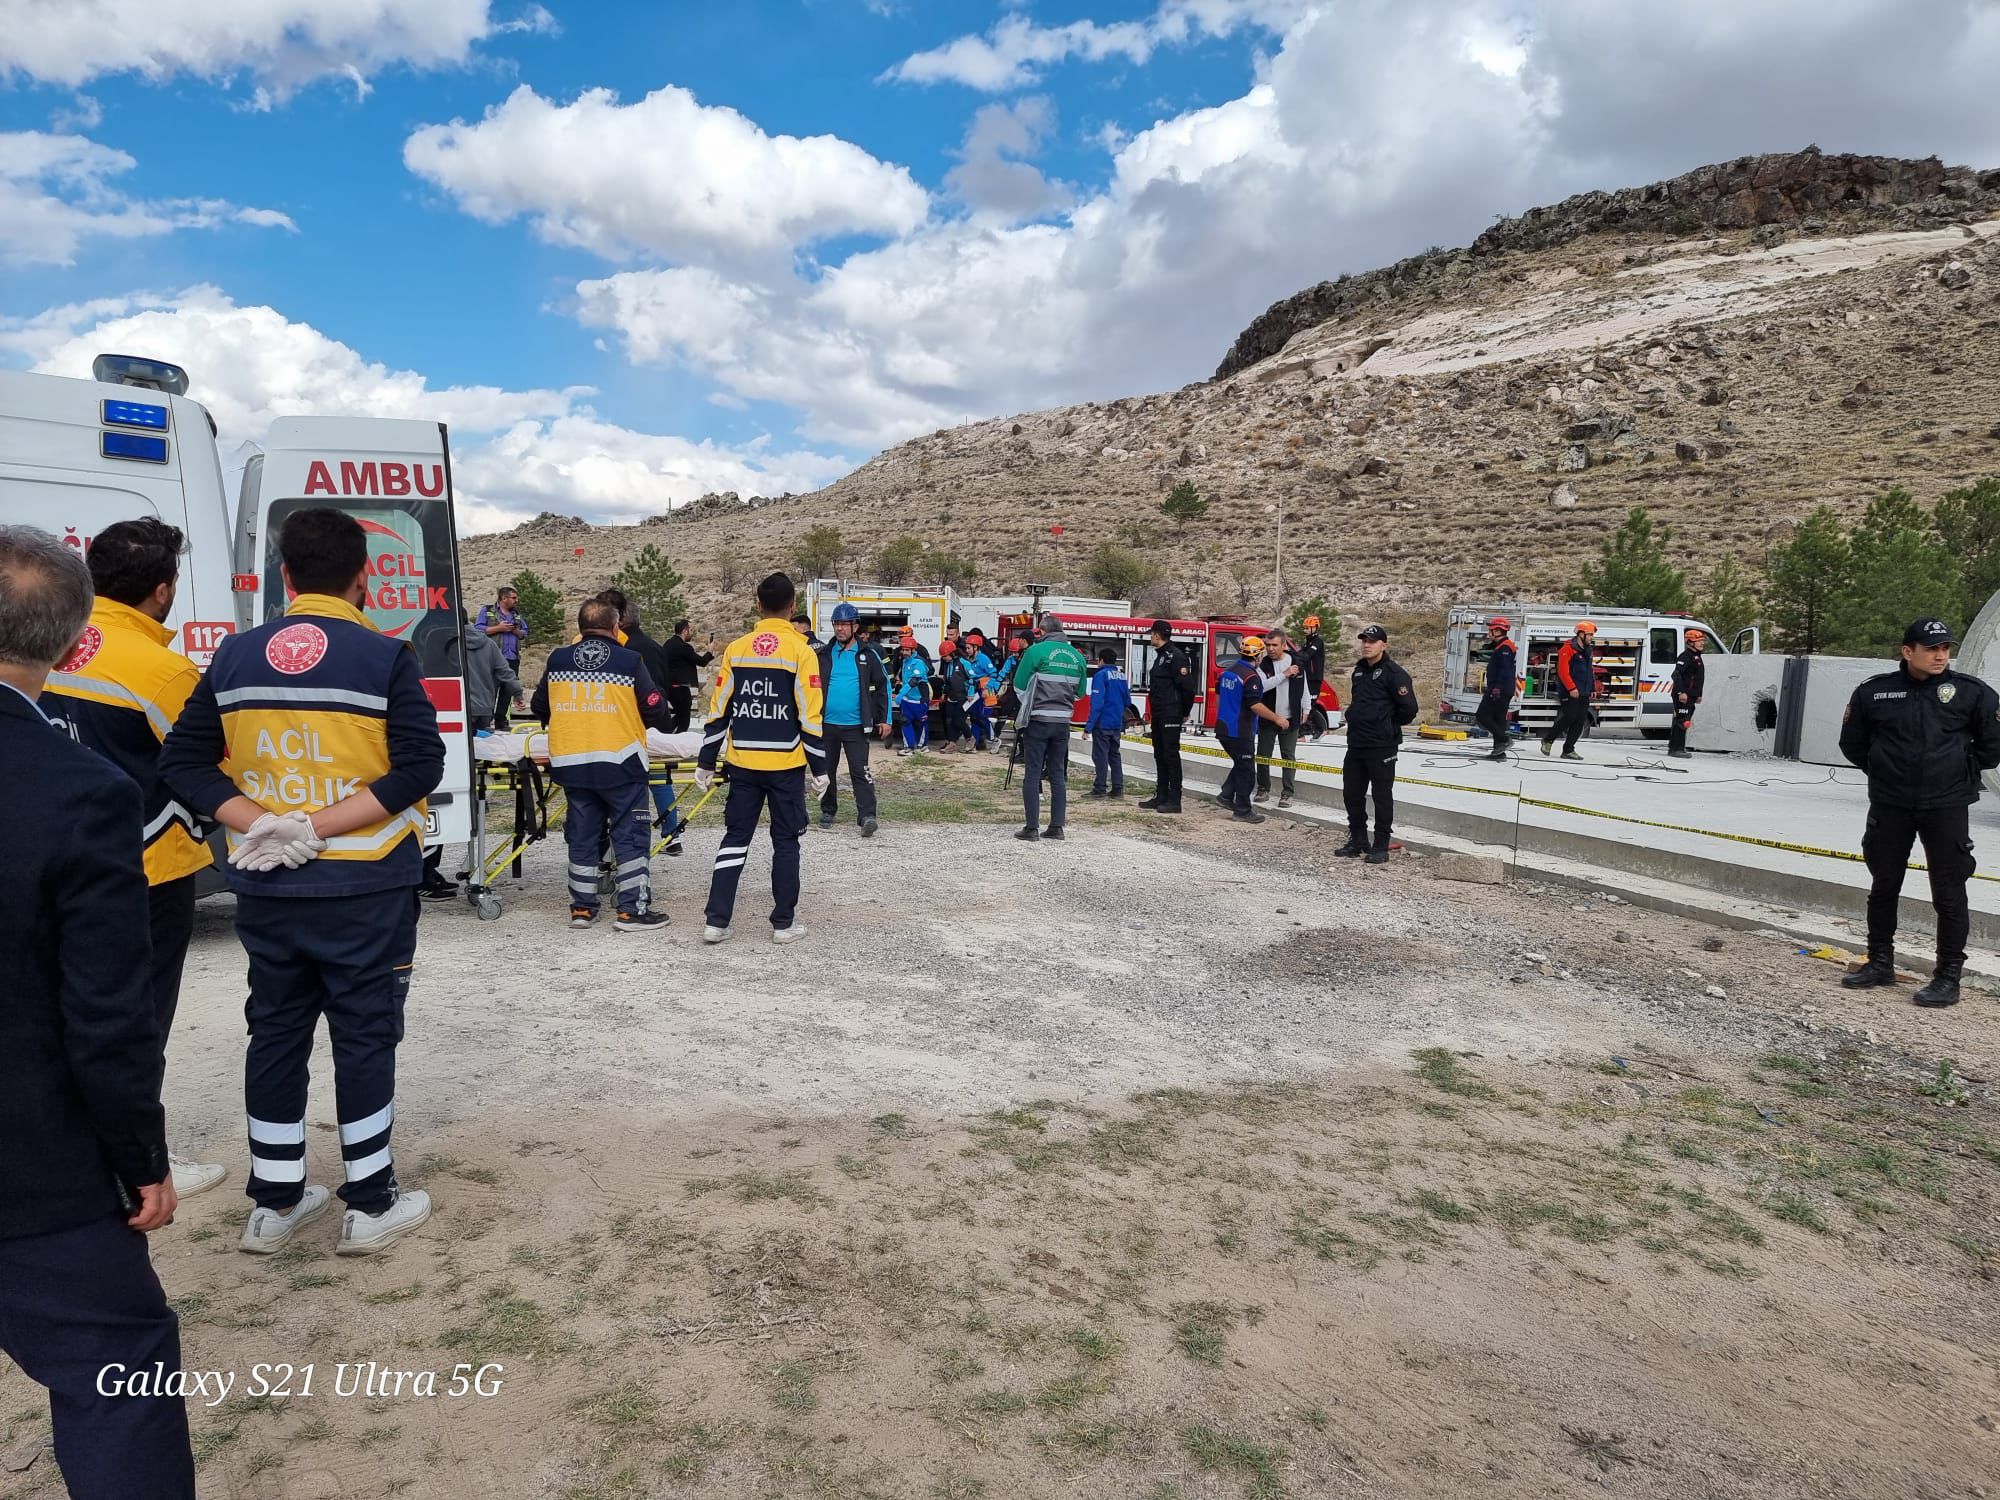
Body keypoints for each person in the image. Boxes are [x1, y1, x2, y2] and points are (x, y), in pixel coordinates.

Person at [160, 507, 445, 1256]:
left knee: (276, 1036)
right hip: (366, 888)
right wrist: (317, 825)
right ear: (363, 579)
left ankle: (275, 1203)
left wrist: (263, 822)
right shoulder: (385, 656)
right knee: (364, 1034)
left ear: (284, 577)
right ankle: (371, 1200)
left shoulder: (231, 657)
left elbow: (182, 763)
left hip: (269, 888)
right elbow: (420, 765)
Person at [0, 526, 196, 1499]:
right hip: (35, 1174)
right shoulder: (80, 793)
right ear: (73, 642)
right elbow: (108, 1017)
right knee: (116, 1373)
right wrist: (141, 1161)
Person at [40, 517, 227, 1198]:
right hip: (147, 873)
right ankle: (138, 1164)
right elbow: (206, 767)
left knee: (62, 1015)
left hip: (54, 863)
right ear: (160, 590)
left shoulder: (50, 644)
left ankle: (72, 1151)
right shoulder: (163, 670)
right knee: (137, 1023)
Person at [1836, 617, 2000, 1008]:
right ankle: (1879, 961)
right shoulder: (1875, 693)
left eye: (1945, 648)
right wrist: (1886, 768)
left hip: (1945, 806)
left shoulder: (1971, 693)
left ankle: (1947, 976)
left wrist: (1957, 771)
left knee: (1949, 891)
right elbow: (1853, 744)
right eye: (1931, 649)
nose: (1941, 655)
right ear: (1908, 652)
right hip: (1890, 804)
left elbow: (1993, 747)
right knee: (1884, 884)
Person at [695, 573, 827, 944]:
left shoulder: (736, 649)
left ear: (758, 605)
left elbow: (718, 710)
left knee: (735, 837)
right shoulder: (803, 652)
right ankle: (783, 924)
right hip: (786, 765)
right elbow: (809, 716)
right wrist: (821, 769)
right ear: (793, 608)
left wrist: (706, 760)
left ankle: (716, 921)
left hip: (743, 764)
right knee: (786, 843)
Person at [531, 599, 672, 933]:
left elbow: (539, 705)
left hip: (572, 763)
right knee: (631, 837)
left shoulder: (558, 659)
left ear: (580, 628)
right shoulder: (628, 660)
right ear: (616, 627)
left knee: (582, 836)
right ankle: (632, 911)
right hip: (620, 763)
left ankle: (582, 908)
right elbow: (655, 710)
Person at [1337, 624, 1418, 864]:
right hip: (1357, 743)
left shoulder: (1395, 674)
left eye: (1372, 641)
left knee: (1381, 796)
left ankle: (1380, 844)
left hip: (1382, 745)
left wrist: (1387, 725)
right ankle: (1358, 840)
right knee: (1352, 794)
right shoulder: (1359, 671)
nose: (1366, 644)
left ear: (1384, 645)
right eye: (1364, 640)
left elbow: (1409, 709)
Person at [815, 602, 891, 835]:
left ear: (855, 626)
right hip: (826, 725)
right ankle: (828, 810)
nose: (840, 629)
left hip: (856, 727)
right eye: (837, 624)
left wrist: (885, 719)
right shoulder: (823, 655)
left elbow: (883, 685)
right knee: (826, 771)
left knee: (860, 771)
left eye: (845, 624)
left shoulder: (868, 655)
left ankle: (867, 816)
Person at [1012, 613, 1089, 842]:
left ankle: (1032, 828)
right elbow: (1080, 694)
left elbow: (1019, 687)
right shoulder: (1078, 657)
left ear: (1042, 632)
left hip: (1038, 721)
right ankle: (1056, 827)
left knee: (1033, 773)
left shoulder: (1034, 652)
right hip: (1062, 724)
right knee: (1057, 774)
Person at [618, 602, 686, 851]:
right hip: (659, 717)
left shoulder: (621, 648)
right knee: (660, 778)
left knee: (628, 781)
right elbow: (664, 682)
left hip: (630, 720)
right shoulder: (656, 647)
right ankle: (672, 834)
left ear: (621, 621)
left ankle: (632, 837)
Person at [1213, 635, 1287, 823]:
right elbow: (1255, 705)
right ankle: (1243, 810)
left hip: (1223, 728)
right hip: (1240, 730)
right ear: (1258, 656)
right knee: (1247, 771)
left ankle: (1226, 796)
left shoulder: (1228, 671)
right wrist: (1277, 718)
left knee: (1241, 764)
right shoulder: (1251, 677)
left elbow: (1219, 696)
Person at [1139, 620, 1196, 814]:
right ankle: (1161, 795)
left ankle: (1174, 799)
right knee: (1160, 754)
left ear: (1157, 635)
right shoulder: (1162, 656)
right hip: (1160, 712)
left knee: (1171, 755)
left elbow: (1187, 688)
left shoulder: (1176, 657)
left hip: (1171, 712)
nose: (1150, 637)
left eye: (1151, 634)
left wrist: (1184, 711)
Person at [1255, 627, 1308, 808]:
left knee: (1288, 756)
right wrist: (1284, 675)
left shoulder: (1296, 662)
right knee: (1263, 755)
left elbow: (1304, 686)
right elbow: (1262, 686)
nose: (1270, 649)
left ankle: (1287, 793)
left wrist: (1306, 708)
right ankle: (1263, 788)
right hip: (1269, 717)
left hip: (1291, 717)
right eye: (1267, 645)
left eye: (1274, 645)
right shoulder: (1263, 665)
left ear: (1284, 645)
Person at [457, 605, 526, 732]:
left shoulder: (445, 644)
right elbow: (506, 673)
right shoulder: (489, 644)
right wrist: (517, 694)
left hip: (457, 709)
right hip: (483, 709)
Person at [1541, 620, 1596, 760]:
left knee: (1580, 720)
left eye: (1592, 635)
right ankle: (1548, 740)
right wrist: (1571, 687)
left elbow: (1590, 670)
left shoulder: (1588, 650)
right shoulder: (1567, 649)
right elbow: (1563, 672)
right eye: (1589, 634)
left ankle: (1568, 750)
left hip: (1584, 690)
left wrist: (1593, 687)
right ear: (1581, 634)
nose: (1591, 637)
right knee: (1570, 716)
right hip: (1569, 690)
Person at [476, 585, 527, 728]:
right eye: (514, 598)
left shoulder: (516, 614)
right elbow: (478, 629)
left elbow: (524, 633)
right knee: (490, 689)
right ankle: (485, 721)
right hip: (493, 658)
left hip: (512, 658)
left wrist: (515, 631)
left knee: (508, 690)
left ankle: (501, 721)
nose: (516, 600)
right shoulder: (487, 611)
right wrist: (498, 628)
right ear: (504, 598)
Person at [1085, 646, 1132, 798]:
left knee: (1101, 756)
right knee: (1114, 755)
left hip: (1102, 723)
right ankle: (1118, 789)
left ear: (1101, 661)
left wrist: (1088, 728)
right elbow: (1127, 701)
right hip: (1116, 723)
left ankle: (1100, 788)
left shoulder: (1101, 675)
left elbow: (1097, 703)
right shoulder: (1121, 676)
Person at [1475, 616, 1518, 762]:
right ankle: (1499, 752)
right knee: (1498, 720)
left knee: (1482, 716)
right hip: (1502, 688)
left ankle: (1504, 739)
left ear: (1498, 630)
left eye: (1491, 629)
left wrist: (1497, 687)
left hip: (1500, 688)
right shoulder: (1502, 646)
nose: (1489, 632)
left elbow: (1504, 670)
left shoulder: (1505, 647)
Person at [662, 619, 715, 735]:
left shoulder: (667, 644)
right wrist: (710, 652)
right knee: (684, 721)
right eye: (690, 630)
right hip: (680, 689)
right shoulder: (684, 647)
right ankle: (675, 739)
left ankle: (666, 736)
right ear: (685, 631)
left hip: (667, 688)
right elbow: (701, 662)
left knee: (679, 716)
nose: (692, 633)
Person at [1667, 629, 1706, 759]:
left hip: (1691, 695)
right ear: (1690, 643)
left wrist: (1698, 694)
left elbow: (1697, 678)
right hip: (1683, 695)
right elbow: (1676, 675)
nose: (1701, 644)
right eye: (1698, 641)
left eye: (1702, 641)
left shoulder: (1697, 657)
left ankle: (1677, 747)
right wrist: (1681, 692)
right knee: (1682, 722)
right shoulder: (1686, 656)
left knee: (1684, 721)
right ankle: (1676, 749)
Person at [938, 636, 973, 752]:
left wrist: (971, 693)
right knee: (950, 721)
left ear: (952, 653)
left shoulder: (964, 663)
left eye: (945, 656)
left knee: (958, 721)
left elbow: (972, 678)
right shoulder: (947, 665)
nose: (944, 659)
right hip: (951, 697)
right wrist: (944, 693)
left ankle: (970, 739)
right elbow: (946, 681)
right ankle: (952, 743)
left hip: (963, 697)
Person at [964, 629, 997, 751]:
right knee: (975, 718)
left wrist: (987, 689)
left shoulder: (983, 659)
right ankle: (974, 743)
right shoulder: (970, 660)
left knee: (982, 718)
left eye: (968, 648)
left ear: (976, 648)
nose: (967, 651)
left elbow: (993, 674)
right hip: (975, 692)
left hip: (984, 692)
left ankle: (995, 739)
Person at [896, 640, 931, 754]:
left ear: (913, 650)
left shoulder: (918, 663)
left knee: (921, 723)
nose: (904, 652)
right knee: (905, 721)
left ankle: (922, 746)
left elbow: (913, 681)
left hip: (919, 699)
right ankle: (909, 747)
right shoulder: (905, 661)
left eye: (907, 650)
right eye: (903, 649)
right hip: (907, 699)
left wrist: (901, 693)